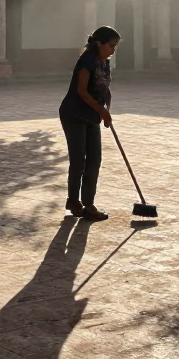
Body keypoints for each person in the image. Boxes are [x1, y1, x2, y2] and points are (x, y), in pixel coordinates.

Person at [58, 25, 120, 220]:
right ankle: (73, 200)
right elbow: (83, 92)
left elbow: (105, 88)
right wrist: (101, 110)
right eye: (111, 45)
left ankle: (89, 204)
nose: (113, 50)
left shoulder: (105, 63)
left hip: (92, 115)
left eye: (115, 46)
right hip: (74, 114)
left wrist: (107, 110)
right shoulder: (87, 61)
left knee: (94, 160)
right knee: (79, 161)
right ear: (99, 44)